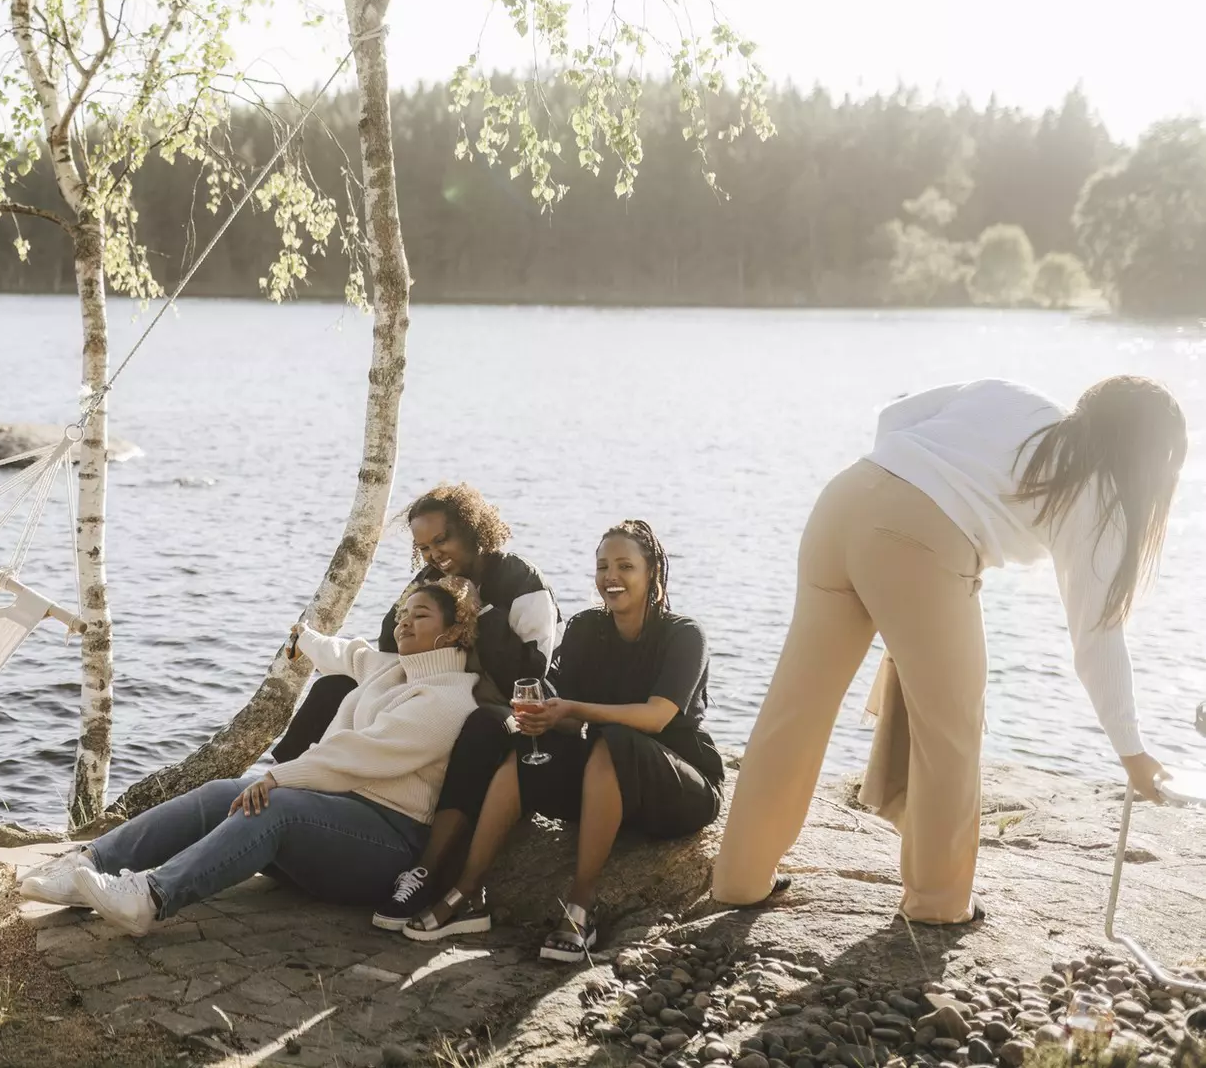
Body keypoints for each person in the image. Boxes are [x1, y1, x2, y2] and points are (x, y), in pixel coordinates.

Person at [712, 377, 1189, 925]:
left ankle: (741, 879)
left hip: (845, 499)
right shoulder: (1099, 493)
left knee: (795, 707)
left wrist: (907, 478)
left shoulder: (1015, 396)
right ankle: (938, 904)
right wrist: (1131, 751)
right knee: (950, 731)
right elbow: (1097, 638)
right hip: (918, 541)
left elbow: (895, 414)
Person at [18, 579, 483, 934]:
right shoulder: (391, 667)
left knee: (273, 803)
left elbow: (359, 753)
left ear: (455, 631)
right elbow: (345, 653)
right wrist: (305, 636)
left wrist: (283, 777)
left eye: (420, 615)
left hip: (386, 843)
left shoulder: (449, 700)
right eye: (402, 613)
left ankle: (152, 898)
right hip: (337, 813)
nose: (404, 622)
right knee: (224, 792)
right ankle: (87, 864)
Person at [403, 521, 724, 962]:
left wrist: (573, 710)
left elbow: (655, 717)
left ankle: (580, 909)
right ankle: (467, 892)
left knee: (615, 741)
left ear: (653, 572)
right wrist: (544, 721)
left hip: (678, 788)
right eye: (602, 566)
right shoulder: (587, 628)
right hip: (606, 779)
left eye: (625, 566)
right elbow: (566, 712)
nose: (611, 576)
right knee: (523, 749)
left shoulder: (684, 635)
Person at [272, 483, 562, 929]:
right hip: (438, 688)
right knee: (333, 688)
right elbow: (393, 647)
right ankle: (286, 794)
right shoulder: (430, 577)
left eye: (440, 540)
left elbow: (528, 677)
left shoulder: (524, 586)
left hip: (499, 705)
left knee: (482, 725)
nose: (432, 554)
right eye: (422, 547)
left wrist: (477, 607)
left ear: (472, 530)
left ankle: (427, 869)